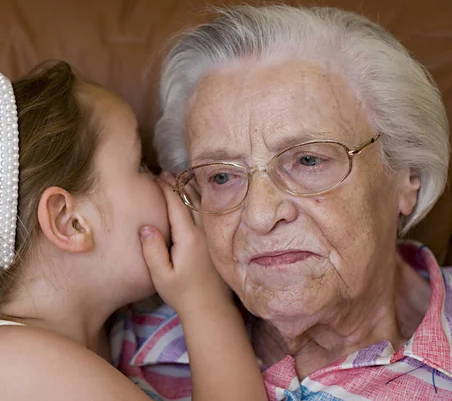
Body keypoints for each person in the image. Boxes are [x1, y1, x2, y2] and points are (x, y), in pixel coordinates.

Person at [0, 62, 267, 401]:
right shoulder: (10, 364)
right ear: (71, 222)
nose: (169, 179)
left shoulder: (65, 352)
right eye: (141, 164)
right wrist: (205, 304)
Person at [113, 5, 452, 400]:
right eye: (221, 176)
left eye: (308, 160)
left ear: (407, 173)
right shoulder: (118, 353)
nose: (259, 216)